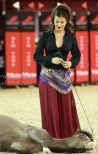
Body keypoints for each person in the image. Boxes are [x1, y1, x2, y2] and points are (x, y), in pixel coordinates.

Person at [33, 3, 81, 139]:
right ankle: (52, 140)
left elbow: (77, 56)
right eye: (57, 21)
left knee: (66, 111)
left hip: (65, 79)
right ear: (53, 20)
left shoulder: (71, 37)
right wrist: (50, 60)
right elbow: (36, 56)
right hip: (48, 78)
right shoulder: (45, 36)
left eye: (62, 22)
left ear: (67, 22)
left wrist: (71, 62)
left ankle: (67, 139)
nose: (59, 24)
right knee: (51, 111)